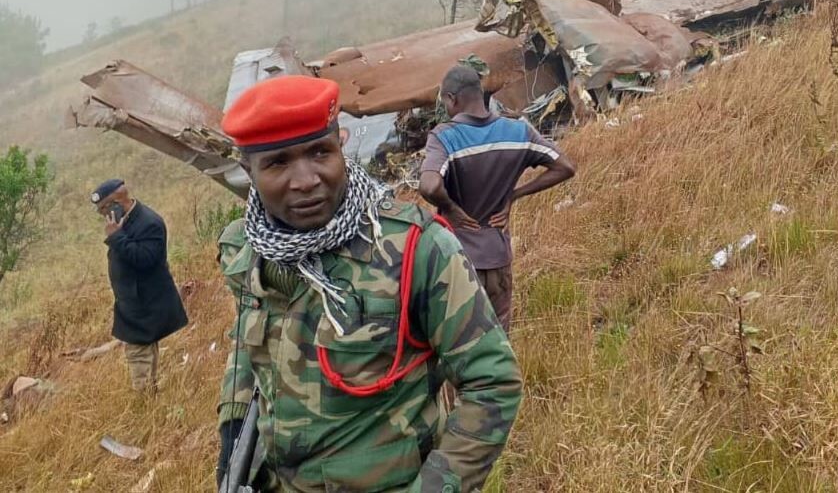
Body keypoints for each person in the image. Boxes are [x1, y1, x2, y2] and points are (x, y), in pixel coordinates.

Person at [215, 75, 522, 492]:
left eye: (319, 152)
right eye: (278, 162)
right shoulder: (246, 251)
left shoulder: (416, 247)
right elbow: (248, 352)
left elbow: (493, 381)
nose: (305, 179)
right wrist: (233, 434)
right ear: (246, 169)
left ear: (342, 146)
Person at [419, 65, 576, 330]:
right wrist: (513, 195)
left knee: (462, 341)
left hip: (458, 260)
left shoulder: (445, 137)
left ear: (451, 98)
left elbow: (430, 186)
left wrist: (450, 208)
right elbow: (565, 167)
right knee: (500, 340)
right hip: (498, 256)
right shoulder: (518, 132)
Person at [92, 179, 188, 391]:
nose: (102, 216)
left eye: (102, 210)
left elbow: (145, 259)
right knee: (145, 351)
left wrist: (116, 237)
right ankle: (150, 393)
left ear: (115, 203)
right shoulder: (125, 221)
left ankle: (144, 403)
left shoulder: (149, 223)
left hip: (145, 305)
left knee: (138, 355)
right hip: (134, 303)